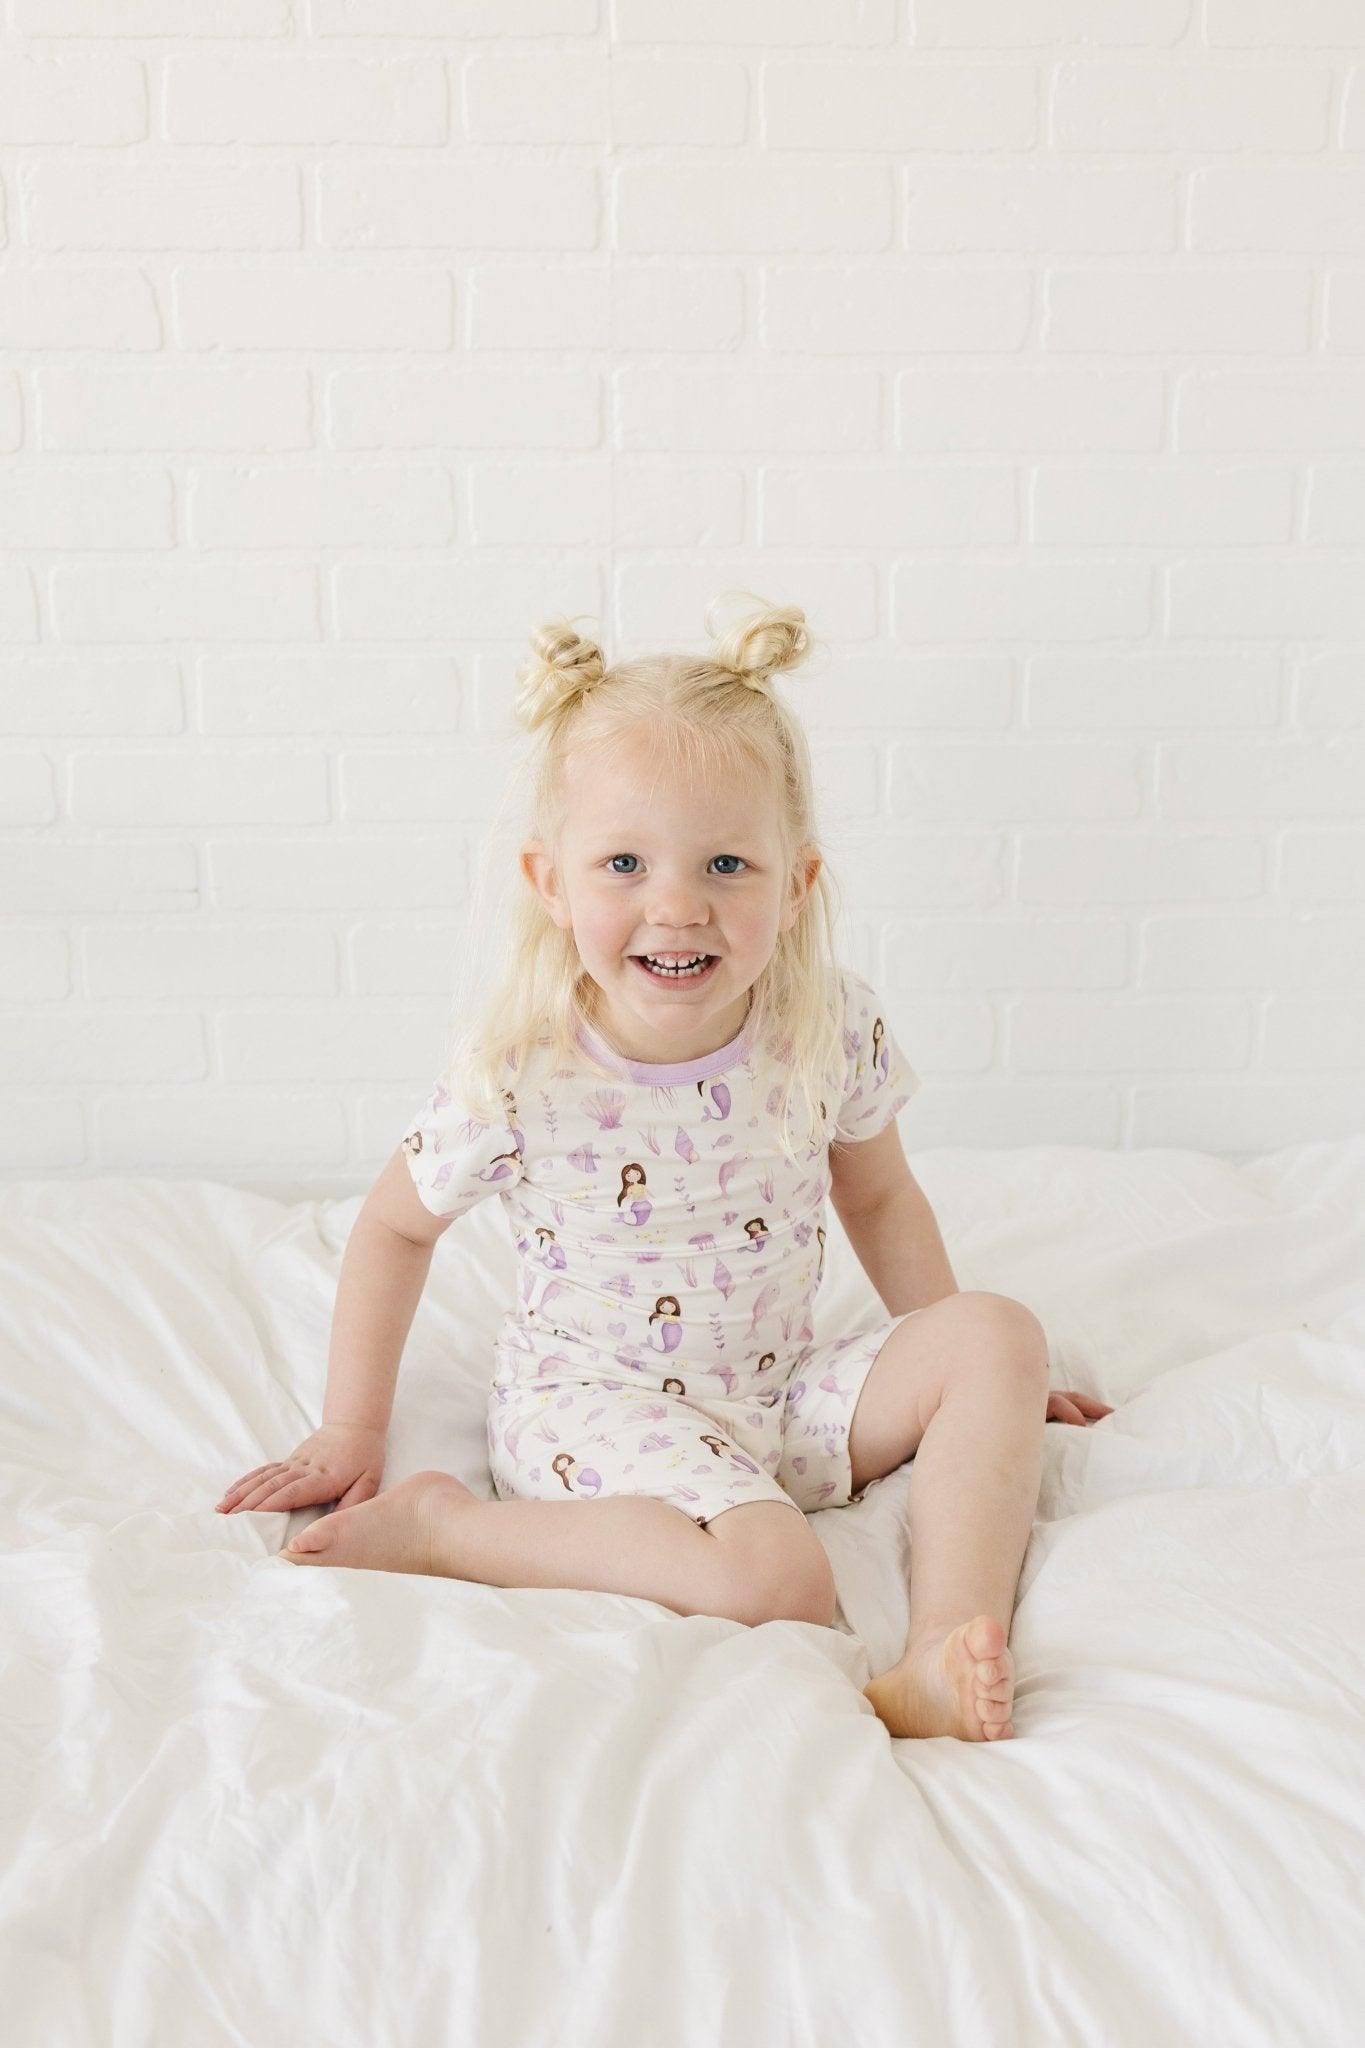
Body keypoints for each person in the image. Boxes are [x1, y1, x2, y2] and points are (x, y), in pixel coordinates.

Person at [216, 595, 1111, 1743]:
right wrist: (351, 1428)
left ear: (796, 884)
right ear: (552, 880)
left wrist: (949, 1370)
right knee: (779, 1577)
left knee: (998, 1333)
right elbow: (395, 1227)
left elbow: (880, 1193)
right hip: (597, 1407)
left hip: (775, 1395)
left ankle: (943, 1643)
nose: (677, 906)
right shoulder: (523, 1069)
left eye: (727, 862)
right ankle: (449, 1530)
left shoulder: (826, 1026)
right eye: (625, 863)